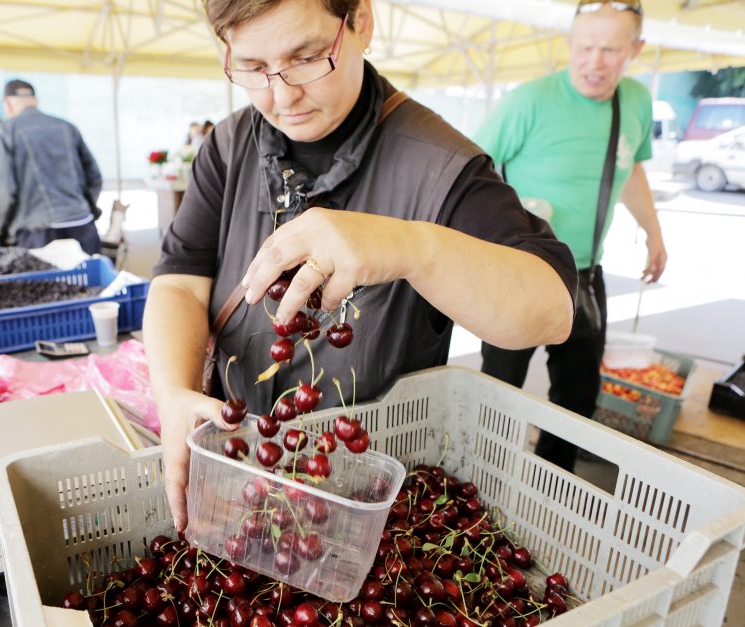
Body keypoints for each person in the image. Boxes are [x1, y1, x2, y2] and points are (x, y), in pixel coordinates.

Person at [143, 0, 580, 533]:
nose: (281, 96)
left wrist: (412, 245)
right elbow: (180, 283)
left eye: (306, 57)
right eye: (253, 68)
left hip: (372, 501)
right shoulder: (231, 145)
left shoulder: (440, 164)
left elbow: (551, 309)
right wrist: (171, 394)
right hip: (239, 477)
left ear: (361, 21)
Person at [474, 0, 667, 472]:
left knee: (578, 398)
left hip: (584, 273)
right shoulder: (528, 101)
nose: (594, 63)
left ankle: (551, 484)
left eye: (609, 50)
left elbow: (630, 170)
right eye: (584, 48)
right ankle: (480, 479)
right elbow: (467, 171)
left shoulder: (636, 103)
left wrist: (653, 233)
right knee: (498, 390)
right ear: (569, 44)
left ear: (635, 49)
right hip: (517, 273)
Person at [0, 79, 103, 255]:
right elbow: (94, 177)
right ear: (35, 101)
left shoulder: (3, 133)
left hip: (38, 232)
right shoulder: (67, 127)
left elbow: (3, 191)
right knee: (92, 279)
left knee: (42, 282)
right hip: (81, 223)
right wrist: (86, 208)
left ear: (7, 104)